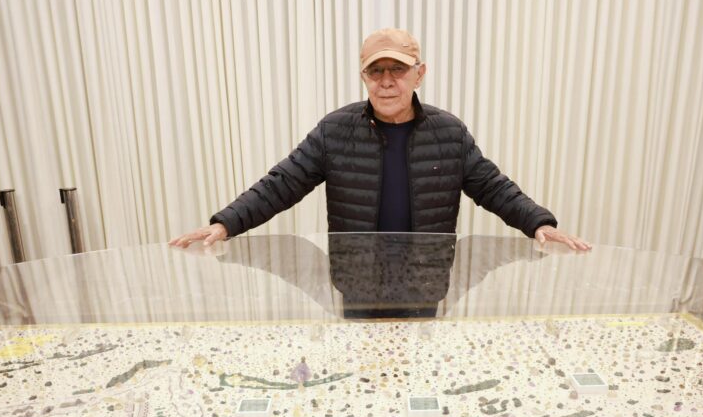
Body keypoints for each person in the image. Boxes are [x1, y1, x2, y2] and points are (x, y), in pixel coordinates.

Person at [170, 28, 590, 251]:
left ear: (419, 74)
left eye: (398, 69)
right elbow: (281, 184)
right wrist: (225, 223)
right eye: (376, 70)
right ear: (364, 76)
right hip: (355, 283)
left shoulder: (449, 132)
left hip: (427, 281)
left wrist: (539, 223)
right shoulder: (334, 130)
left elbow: (494, 187)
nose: (387, 81)